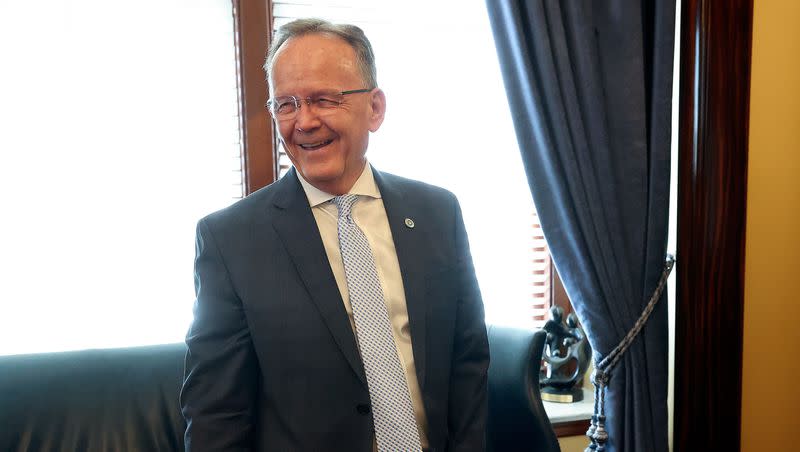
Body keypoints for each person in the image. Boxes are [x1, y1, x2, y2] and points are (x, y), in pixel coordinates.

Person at [180, 18, 489, 452]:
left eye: (323, 99)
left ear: (375, 108)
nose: (303, 122)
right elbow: (215, 414)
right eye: (285, 104)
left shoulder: (437, 214)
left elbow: (468, 364)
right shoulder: (230, 239)